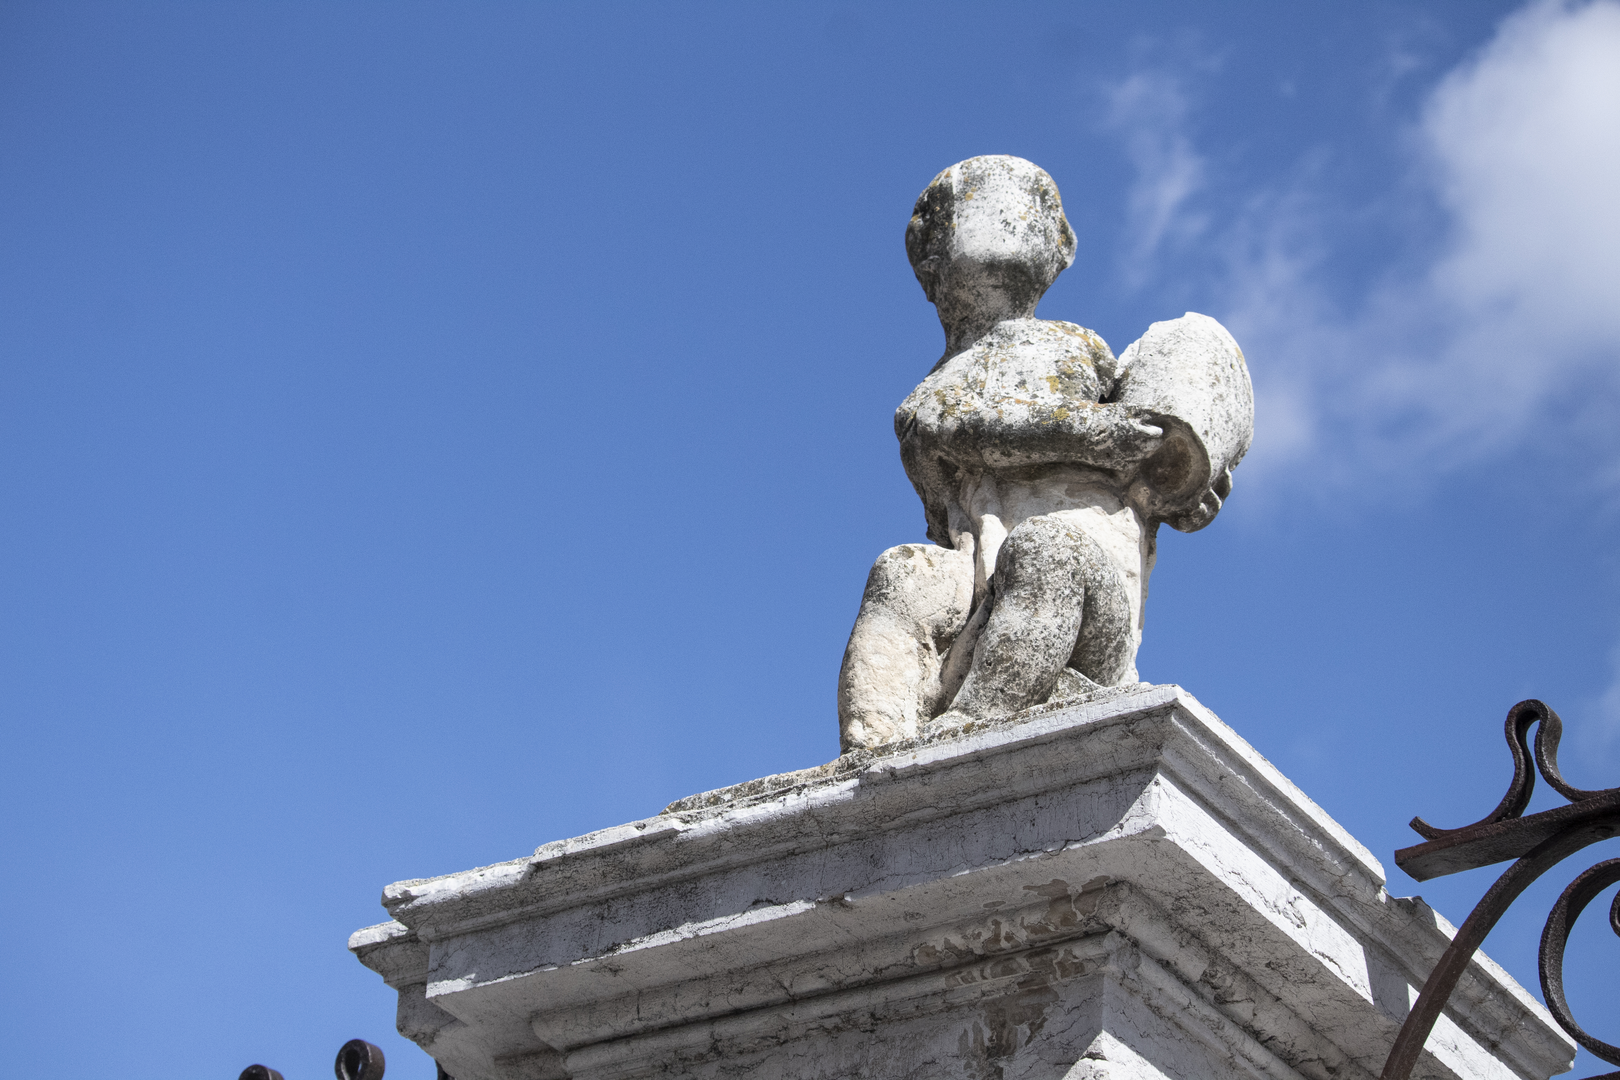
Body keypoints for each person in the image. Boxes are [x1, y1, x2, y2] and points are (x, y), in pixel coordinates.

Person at [837, 155, 1251, 752]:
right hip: (981, 584)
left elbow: (1169, 436)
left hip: (1090, 607)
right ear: (928, 253)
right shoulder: (929, 398)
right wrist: (1091, 435)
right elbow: (952, 429)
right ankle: (874, 745)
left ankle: (972, 727)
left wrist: (1193, 469)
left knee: (1047, 549)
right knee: (900, 573)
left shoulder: (1074, 345)